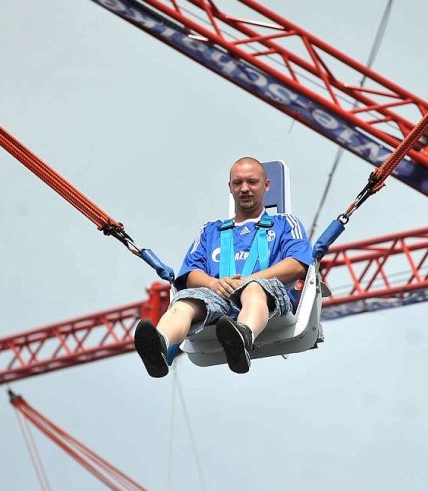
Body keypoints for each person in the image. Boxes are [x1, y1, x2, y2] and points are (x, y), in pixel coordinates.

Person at [134, 157, 313, 376]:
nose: (244, 189)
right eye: (238, 183)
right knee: (186, 300)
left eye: (252, 182)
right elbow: (190, 273)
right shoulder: (211, 231)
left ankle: (242, 337)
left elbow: (297, 264)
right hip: (218, 295)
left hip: (267, 296)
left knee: (254, 287)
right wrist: (213, 283)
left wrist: (249, 280)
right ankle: (159, 344)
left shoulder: (285, 223)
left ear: (266, 185)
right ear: (230, 188)